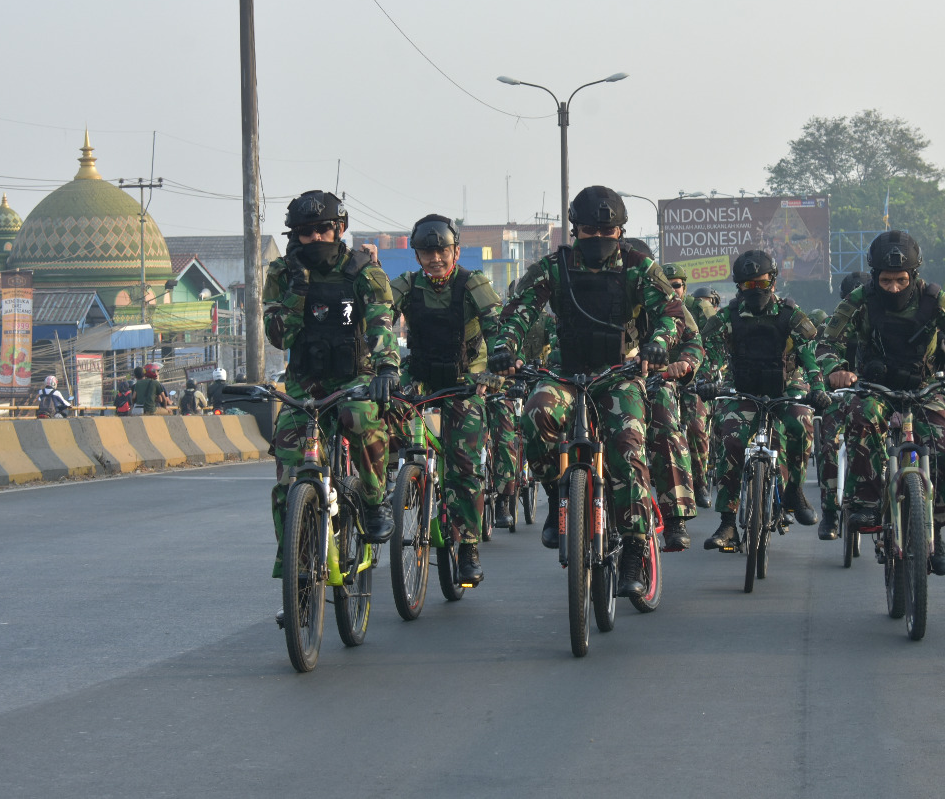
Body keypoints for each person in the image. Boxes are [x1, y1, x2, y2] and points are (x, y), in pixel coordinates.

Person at [488, 185, 683, 598]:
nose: (596, 238)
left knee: (628, 444)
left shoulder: (638, 265)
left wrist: (659, 344)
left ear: (620, 230)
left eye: (605, 230)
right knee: (536, 415)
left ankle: (633, 547)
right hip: (565, 372)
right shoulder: (554, 267)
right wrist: (504, 346)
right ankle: (556, 496)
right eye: (588, 230)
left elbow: (670, 312)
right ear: (574, 230)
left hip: (619, 372)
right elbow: (519, 310)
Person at [820, 231, 945, 576]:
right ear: (874, 275)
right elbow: (827, 344)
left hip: (926, 388)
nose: (893, 288)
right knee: (862, 418)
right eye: (885, 280)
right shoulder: (859, 299)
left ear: (914, 274)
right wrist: (835, 369)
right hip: (875, 387)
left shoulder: (936, 300)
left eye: (901, 280)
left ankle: (935, 532)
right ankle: (866, 502)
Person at [263, 189, 400, 586]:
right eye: (307, 232)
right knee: (289, 473)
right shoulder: (281, 274)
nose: (317, 238)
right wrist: (298, 288)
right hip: (304, 385)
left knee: (359, 417)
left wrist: (386, 368)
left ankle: (375, 502)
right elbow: (277, 334)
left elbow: (380, 321)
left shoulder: (363, 271)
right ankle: (297, 564)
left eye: (324, 229)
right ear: (295, 235)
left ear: (339, 229)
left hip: (353, 378)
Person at [387, 214, 502, 586]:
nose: (435, 258)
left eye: (442, 251)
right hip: (418, 375)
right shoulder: (406, 284)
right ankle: (391, 485)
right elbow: (377, 319)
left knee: (464, 463)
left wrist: (492, 372)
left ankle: (467, 546)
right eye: (427, 252)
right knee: (378, 412)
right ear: (417, 255)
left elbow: (497, 326)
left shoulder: (473, 284)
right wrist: (379, 364)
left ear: (455, 250)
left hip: (465, 379)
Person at [698, 249, 829, 550]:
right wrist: (706, 381)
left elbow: (810, 357)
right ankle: (728, 521)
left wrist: (818, 387)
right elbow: (711, 355)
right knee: (731, 438)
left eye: (760, 284)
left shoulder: (791, 316)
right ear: (739, 286)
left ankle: (794, 491)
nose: (754, 291)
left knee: (800, 423)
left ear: (772, 281)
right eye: (747, 285)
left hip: (786, 386)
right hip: (741, 386)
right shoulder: (726, 318)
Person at [645, 262, 706, 550]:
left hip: (662, 378)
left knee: (669, 429)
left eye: (676, 285)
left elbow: (695, 344)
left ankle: (674, 517)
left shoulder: (676, 309)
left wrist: (685, 365)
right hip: (604, 378)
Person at [814, 271, 870, 540]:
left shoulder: (885, 319)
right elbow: (822, 350)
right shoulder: (836, 322)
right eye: (852, 297)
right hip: (841, 395)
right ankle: (829, 514)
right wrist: (835, 371)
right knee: (830, 448)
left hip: (877, 394)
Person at [671, 265, 718, 510]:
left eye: (676, 285)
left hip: (694, 376)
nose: (672, 290)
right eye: (667, 284)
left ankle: (700, 483)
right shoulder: (650, 304)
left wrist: (706, 375)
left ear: (685, 287)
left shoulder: (699, 308)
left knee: (696, 426)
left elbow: (713, 342)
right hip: (659, 376)